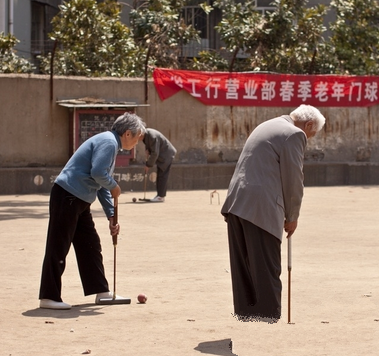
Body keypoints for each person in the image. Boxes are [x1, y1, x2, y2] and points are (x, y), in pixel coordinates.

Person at [221, 104, 326, 323]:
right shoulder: (294, 134)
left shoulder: (267, 125)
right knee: (265, 268)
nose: (309, 138)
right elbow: (293, 179)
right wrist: (292, 216)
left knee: (244, 268)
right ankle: (267, 320)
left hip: (237, 203)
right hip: (261, 207)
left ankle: (246, 316)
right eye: (312, 133)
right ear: (307, 125)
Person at [39, 112, 146, 310]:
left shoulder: (111, 143)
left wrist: (111, 216)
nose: (136, 143)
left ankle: (101, 291)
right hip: (67, 195)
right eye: (138, 138)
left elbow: (101, 183)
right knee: (58, 246)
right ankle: (48, 296)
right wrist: (114, 185)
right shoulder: (109, 142)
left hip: (80, 200)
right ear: (128, 133)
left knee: (90, 245)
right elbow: (99, 173)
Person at [139, 128, 177, 202]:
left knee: (162, 175)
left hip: (166, 155)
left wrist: (148, 165)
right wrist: (147, 151)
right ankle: (160, 195)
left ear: (141, 133)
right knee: (160, 174)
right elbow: (150, 147)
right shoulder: (146, 136)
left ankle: (161, 196)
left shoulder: (152, 136)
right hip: (162, 156)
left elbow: (155, 153)